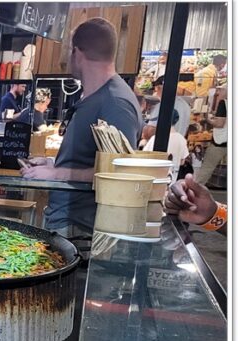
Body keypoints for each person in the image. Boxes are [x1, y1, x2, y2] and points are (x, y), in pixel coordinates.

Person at [20, 18, 143, 236]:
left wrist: (56, 174)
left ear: (76, 52)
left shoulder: (115, 102)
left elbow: (118, 172)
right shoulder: (98, 97)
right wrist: (52, 163)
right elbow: (91, 160)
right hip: (69, 222)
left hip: (83, 228)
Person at [143, 109, 189, 177]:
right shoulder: (181, 139)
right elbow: (182, 162)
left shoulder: (156, 138)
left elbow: (144, 157)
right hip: (173, 177)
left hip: (155, 176)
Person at [195, 90, 227, 186]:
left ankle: (195, 190)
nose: (217, 93)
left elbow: (220, 124)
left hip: (220, 142)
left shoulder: (224, 103)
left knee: (207, 168)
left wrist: (208, 119)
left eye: (220, 90)